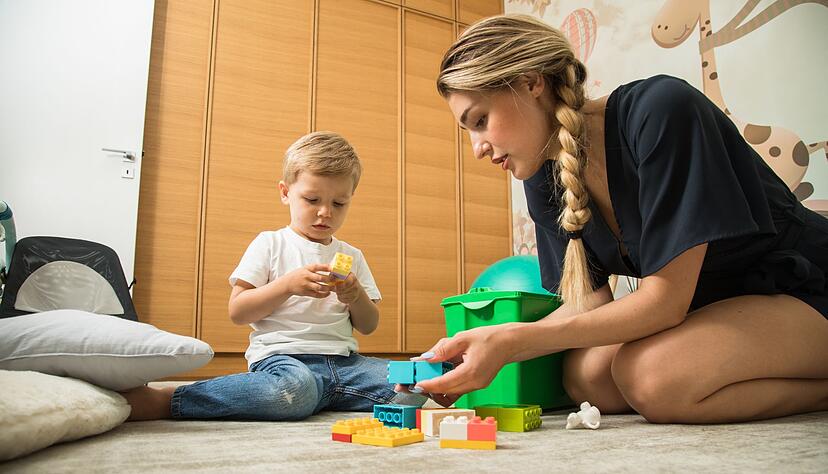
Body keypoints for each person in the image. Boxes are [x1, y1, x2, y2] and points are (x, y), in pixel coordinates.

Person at [399, 14, 828, 423]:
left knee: (653, 379)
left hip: (803, 288)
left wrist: (512, 343)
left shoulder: (661, 111)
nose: (477, 147)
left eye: (481, 120)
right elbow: (588, 302)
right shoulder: (544, 172)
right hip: (721, 305)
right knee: (587, 377)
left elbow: (665, 302)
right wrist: (479, 347)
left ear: (531, 82)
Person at [124, 131, 424, 420]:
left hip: (345, 365)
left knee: (415, 387)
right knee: (294, 388)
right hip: (283, 360)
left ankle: (316, 397)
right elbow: (238, 311)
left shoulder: (352, 255)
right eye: (312, 200)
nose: (325, 213)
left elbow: (369, 325)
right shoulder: (270, 243)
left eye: (339, 203)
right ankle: (171, 400)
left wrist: (355, 296)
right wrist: (287, 286)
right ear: (285, 193)